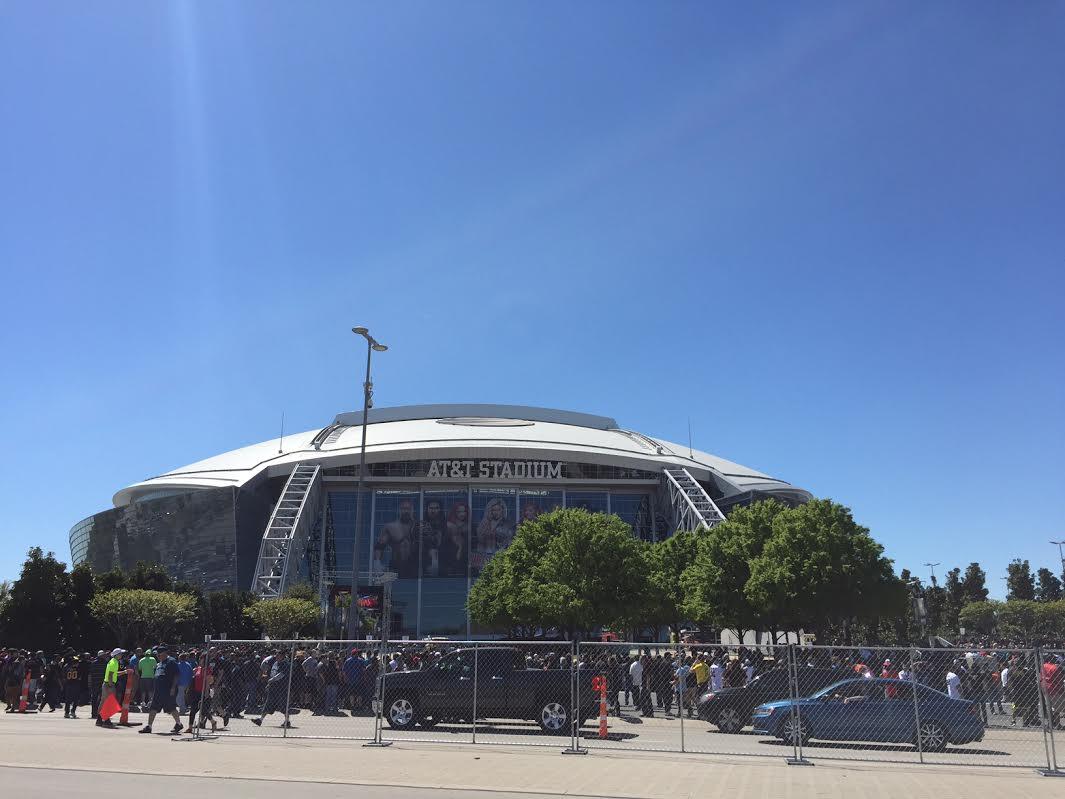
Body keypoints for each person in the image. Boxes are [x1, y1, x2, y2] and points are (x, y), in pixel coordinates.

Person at [138, 644, 183, 735]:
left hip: (168, 690)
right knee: (153, 707)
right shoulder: (160, 663)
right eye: (157, 654)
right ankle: (149, 726)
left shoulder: (171, 661)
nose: (158, 656)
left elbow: (176, 675)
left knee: (171, 708)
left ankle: (179, 724)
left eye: (160, 654)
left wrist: (173, 688)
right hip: (158, 690)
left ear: (165, 653)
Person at [251, 649, 292, 728]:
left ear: (282, 656)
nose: (276, 656)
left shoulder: (285, 664)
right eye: (276, 655)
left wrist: (271, 680)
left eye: (278, 655)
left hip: (281, 688)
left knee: (283, 705)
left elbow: (281, 674)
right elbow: (273, 673)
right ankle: (260, 720)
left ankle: (287, 721)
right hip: (273, 688)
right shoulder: (275, 663)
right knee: (268, 704)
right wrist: (269, 682)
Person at [97, 648, 123, 727]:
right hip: (109, 684)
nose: (121, 655)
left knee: (103, 702)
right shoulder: (114, 662)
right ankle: (106, 720)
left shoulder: (112, 661)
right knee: (109, 702)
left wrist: (124, 672)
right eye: (120, 654)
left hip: (106, 683)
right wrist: (111, 685)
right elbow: (111, 674)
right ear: (117, 655)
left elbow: (114, 673)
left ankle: (99, 719)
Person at [63, 653, 84, 718]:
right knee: (76, 699)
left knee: (68, 700)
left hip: (68, 684)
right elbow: (80, 677)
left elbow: (63, 676)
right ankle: (73, 711)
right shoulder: (79, 668)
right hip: (76, 684)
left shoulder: (66, 667)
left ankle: (66, 712)